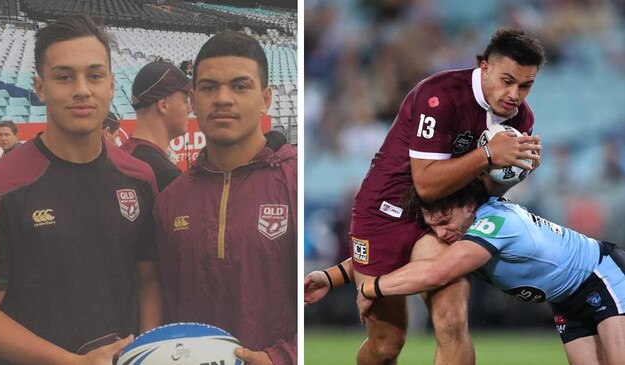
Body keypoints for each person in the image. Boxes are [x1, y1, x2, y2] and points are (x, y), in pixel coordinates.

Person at [305, 27, 545, 365]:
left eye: (525, 85)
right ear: (484, 67)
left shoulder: (521, 118)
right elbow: (426, 185)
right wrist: (489, 155)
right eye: (507, 80)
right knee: (388, 344)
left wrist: (517, 170)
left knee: (452, 320)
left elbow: (483, 191)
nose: (514, 94)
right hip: (383, 213)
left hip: (438, 220)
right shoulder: (440, 95)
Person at [0, 15, 162, 364]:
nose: (81, 89)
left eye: (94, 75)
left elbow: (148, 279)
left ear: (110, 84)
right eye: (64, 77)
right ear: (40, 87)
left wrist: (144, 351)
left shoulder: (139, 177)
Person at [356, 180, 625, 365]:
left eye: (444, 222)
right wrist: (333, 277)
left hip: (601, 276)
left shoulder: (495, 223)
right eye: (432, 226)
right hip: (565, 299)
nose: (440, 233)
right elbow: (394, 257)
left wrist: (370, 288)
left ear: (470, 206)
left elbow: (436, 273)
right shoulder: (461, 230)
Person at [154, 31, 297, 365]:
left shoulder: (293, 180)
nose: (222, 98)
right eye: (208, 87)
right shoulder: (170, 200)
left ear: (266, 98)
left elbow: (318, 296)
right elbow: (162, 302)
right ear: (192, 100)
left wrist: (281, 357)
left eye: (240, 86)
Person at [120, 61, 190, 191]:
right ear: (164, 105)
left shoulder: (122, 154)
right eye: (185, 100)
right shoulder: (165, 174)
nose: (190, 108)